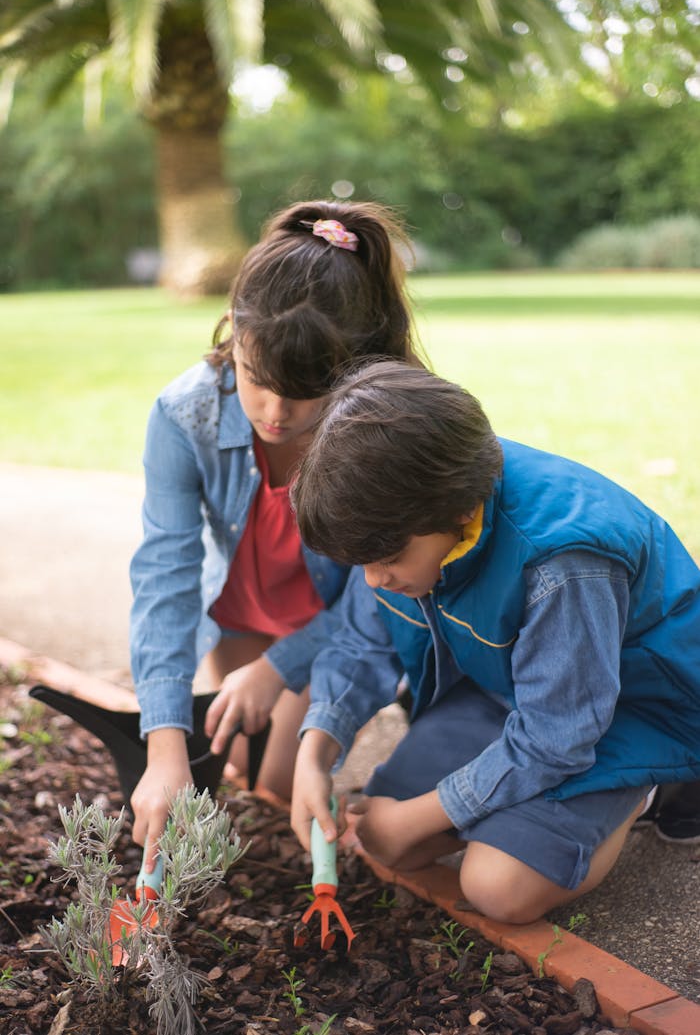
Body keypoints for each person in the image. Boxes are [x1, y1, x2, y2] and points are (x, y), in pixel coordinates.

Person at [289, 360, 700, 924]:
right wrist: (315, 755)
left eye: (386, 561)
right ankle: (526, 813)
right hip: (506, 687)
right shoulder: (406, 504)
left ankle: (643, 788)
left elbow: (558, 736)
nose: (373, 580)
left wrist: (418, 815)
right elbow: (363, 641)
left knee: (497, 887)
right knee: (388, 842)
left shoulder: (564, 563)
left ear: (458, 514)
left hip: (627, 710)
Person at [129, 202, 421, 871]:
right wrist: (163, 747)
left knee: (283, 782)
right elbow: (163, 577)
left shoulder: (384, 425)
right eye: (257, 380)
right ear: (236, 332)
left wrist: (282, 666)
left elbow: (385, 585)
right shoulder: (184, 413)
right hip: (243, 613)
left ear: (353, 364)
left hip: (336, 620)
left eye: (306, 391)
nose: (275, 411)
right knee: (236, 766)